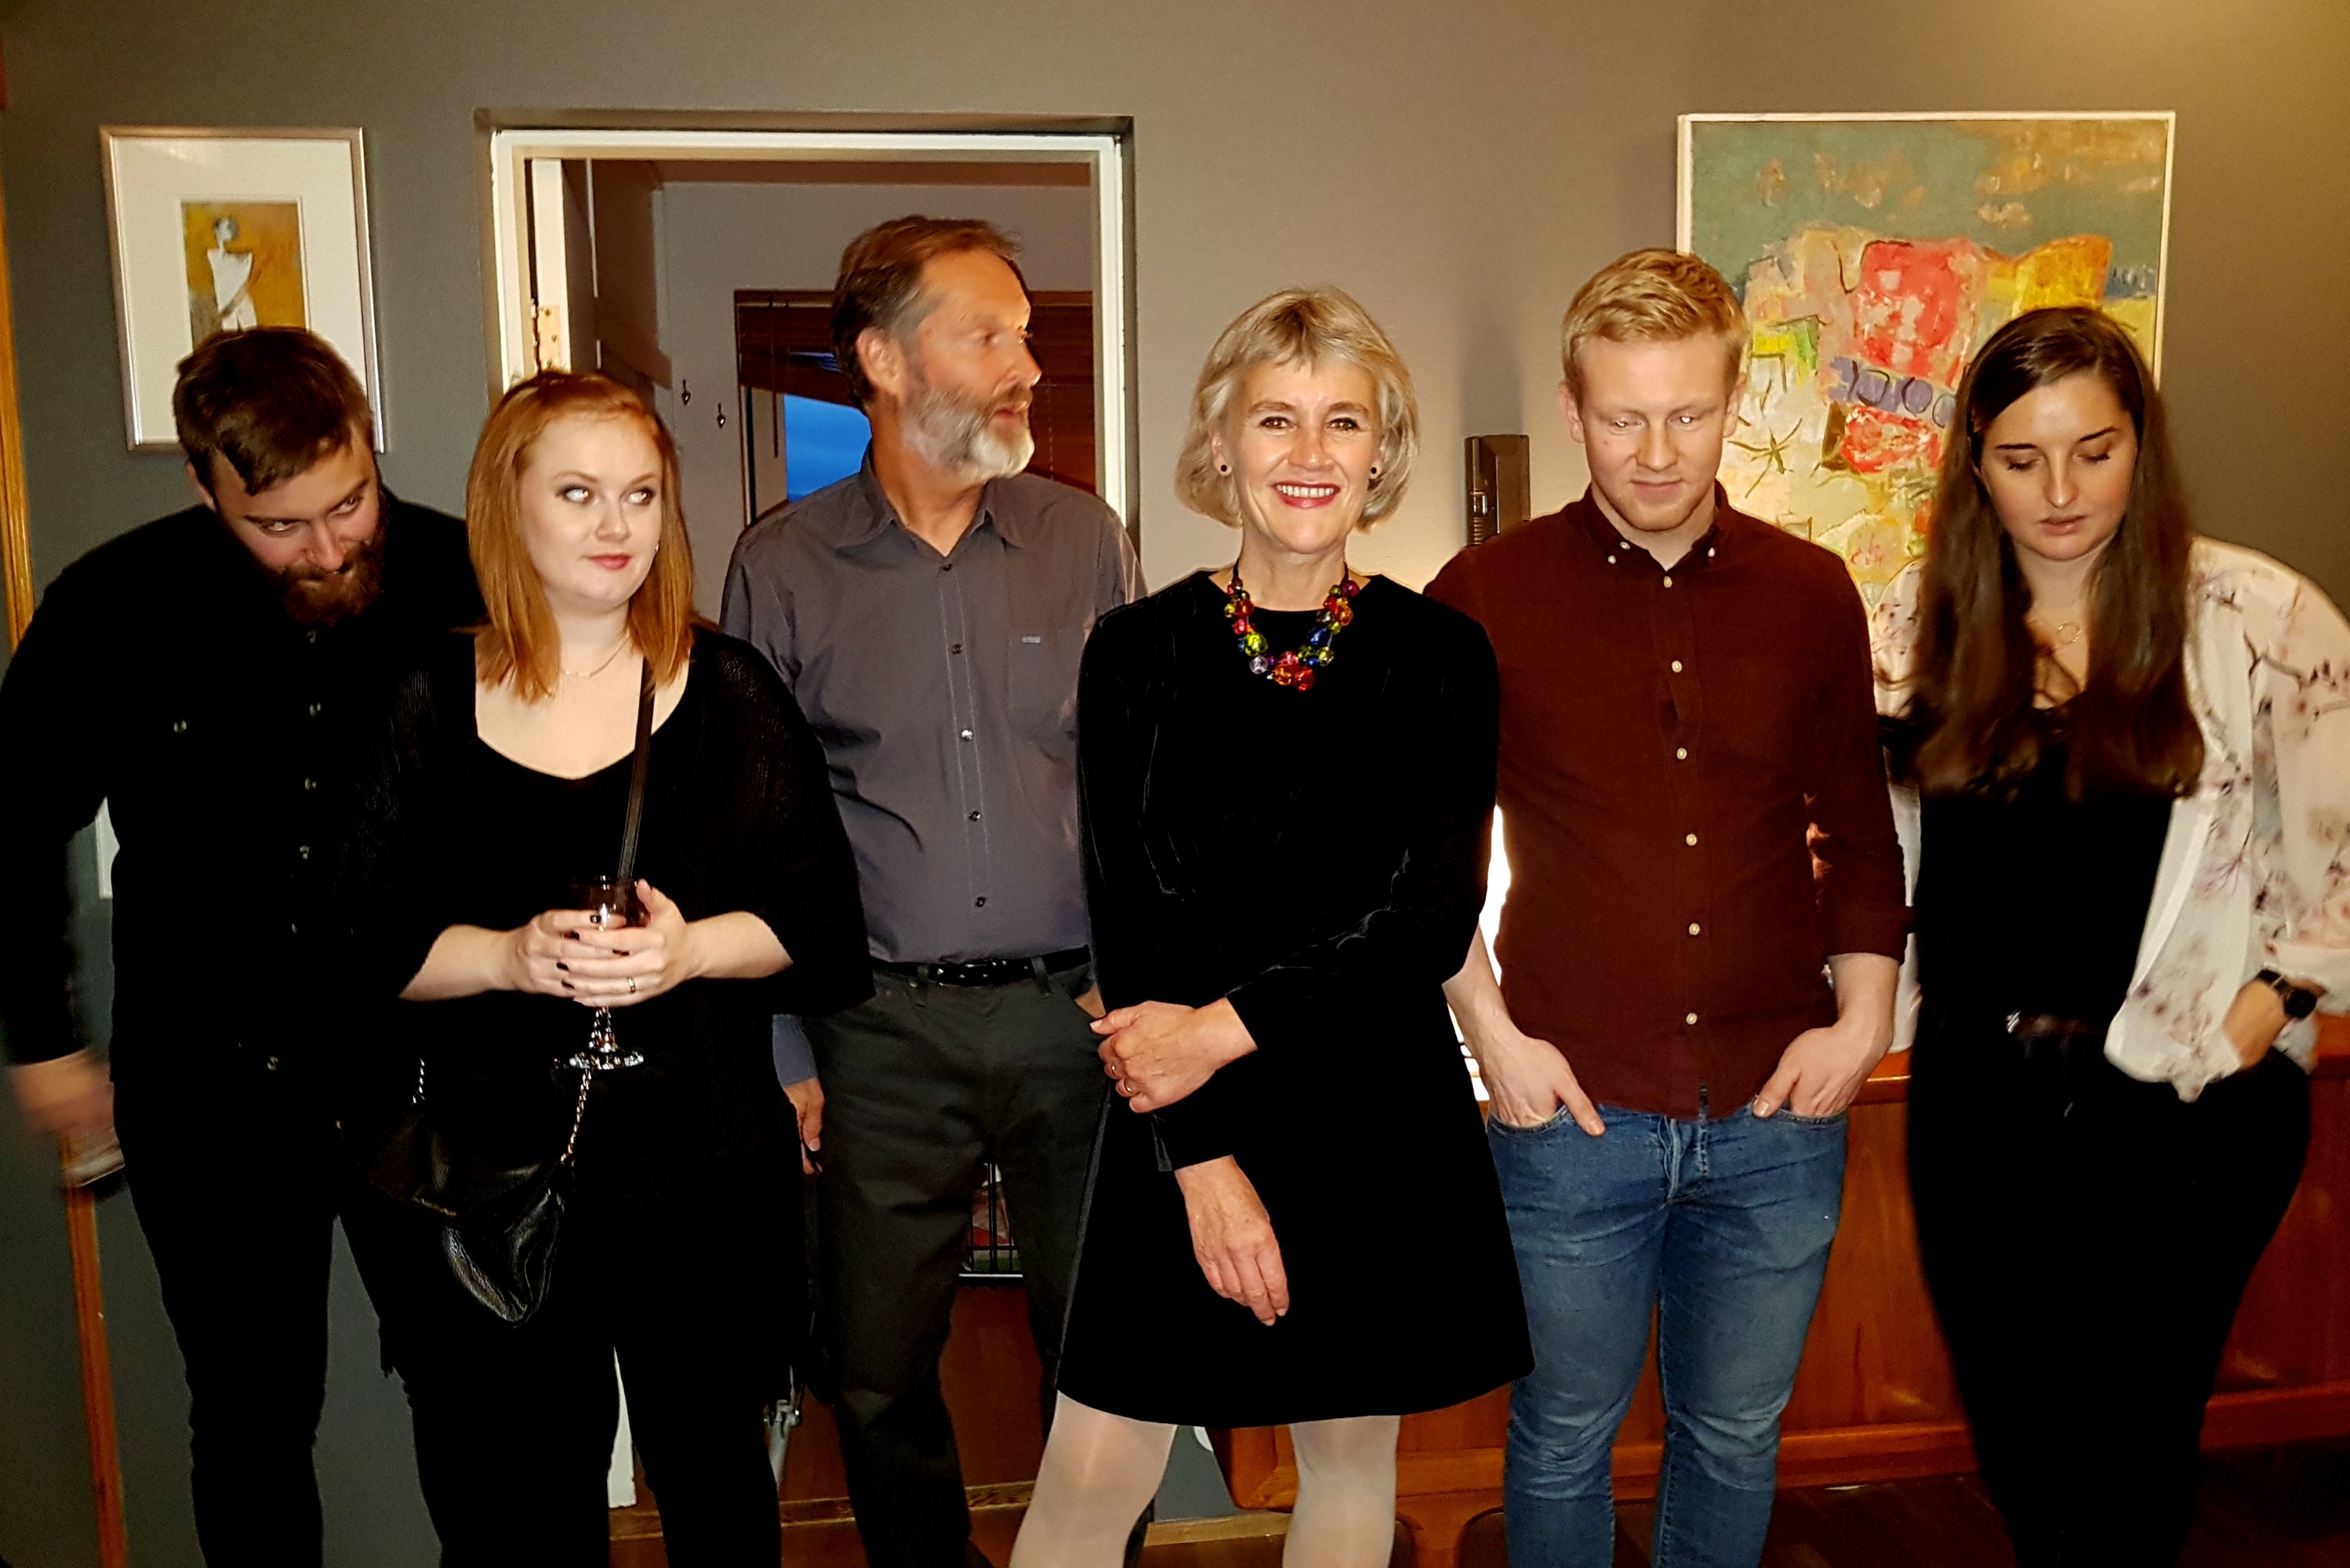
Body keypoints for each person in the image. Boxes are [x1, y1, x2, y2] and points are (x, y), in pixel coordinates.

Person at [1010, 287, 1531, 1568]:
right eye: (1275, 419)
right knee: (1090, 1471)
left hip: (1370, 1108)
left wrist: (1219, 1031)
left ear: (1380, 453)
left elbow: (1429, 919)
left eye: (1342, 421)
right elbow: (1127, 924)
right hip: (1179, 1118)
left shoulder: (1443, 654)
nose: (1309, 453)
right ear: (1221, 443)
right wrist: (1201, 1159)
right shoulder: (1134, 651)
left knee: (1347, 1461)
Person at [1425, 249, 1907, 1568]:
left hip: (1776, 1114)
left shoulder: (1810, 593)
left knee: (1735, 1436)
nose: (1654, 453)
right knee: (1561, 1435)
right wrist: (1494, 1044)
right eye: (1622, 417)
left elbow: (1859, 836)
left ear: (1732, 403)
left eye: (1687, 414)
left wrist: (1862, 1023)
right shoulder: (1481, 596)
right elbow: (1423, 863)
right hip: (1569, 1112)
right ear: (1571, 410)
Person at [337, 371, 870, 1564]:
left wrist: (690, 950)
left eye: (640, 494)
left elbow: (825, 927)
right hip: (500, 1174)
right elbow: (356, 949)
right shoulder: (423, 701)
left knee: (720, 1488)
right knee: (525, 1507)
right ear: (507, 505)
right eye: (578, 493)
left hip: (703, 1171)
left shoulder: (731, 693)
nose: (616, 525)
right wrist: (508, 957)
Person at [1869, 305, 2348, 1566]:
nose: (2059, 492)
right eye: (2020, 459)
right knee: (2020, 1449)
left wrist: (2278, 997)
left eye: (2093, 451)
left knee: (2132, 1451)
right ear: (1974, 462)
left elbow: (2346, 833)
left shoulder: (2254, 614)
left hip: (2185, 1098)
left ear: (2140, 442)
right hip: (1975, 1100)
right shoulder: (1916, 625)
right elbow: (1879, 848)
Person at [0, 327, 480, 1565]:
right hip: (209, 1089)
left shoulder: (468, 576)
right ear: (202, 485)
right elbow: (10, 826)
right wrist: (45, 1041)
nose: (327, 548)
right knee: (252, 1417)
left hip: (431, 1077)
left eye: (350, 504)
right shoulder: (110, 603)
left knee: (476, 1395)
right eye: (279, 526)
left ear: (367, 442)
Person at [720, 216, 1138, 1568]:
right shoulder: (781, 565)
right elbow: (755, 827)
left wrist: (1142, 992)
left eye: (1028, 334)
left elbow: (1134, 794)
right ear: (885, 361)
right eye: (989, 335)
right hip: (877, 1030)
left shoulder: (1085, 540)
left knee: (1107, 1353)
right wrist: (786, 1048)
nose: (1028, 365)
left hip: (1076, 1023)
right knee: (876, 1363)